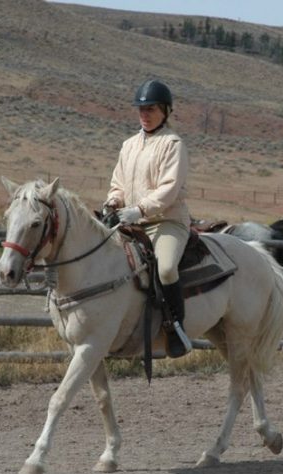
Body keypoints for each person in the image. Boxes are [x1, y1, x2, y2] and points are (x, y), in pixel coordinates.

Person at [102, 79, 192, 358]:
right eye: (141, 109)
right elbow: (118, 182)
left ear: (165, 110)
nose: (144, 113)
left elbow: (168, 190)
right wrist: (113, 201)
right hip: (132, 220)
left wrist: (139, 209)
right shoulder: (128, 145)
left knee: (165, 269)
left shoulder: (173, 144)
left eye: (151, 108)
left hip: (166, 220)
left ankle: (176, 327)